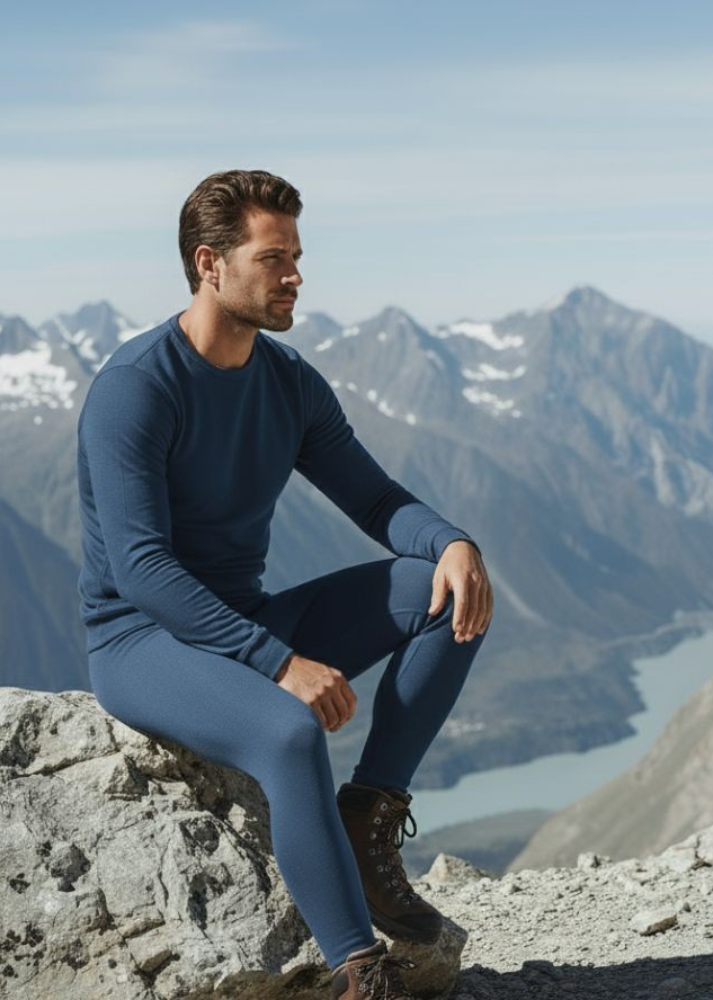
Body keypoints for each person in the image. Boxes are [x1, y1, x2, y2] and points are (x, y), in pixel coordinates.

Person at [76, 168, 493, 998]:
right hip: (141, 640)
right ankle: (358, 972)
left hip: (243, 620)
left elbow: (374, 499)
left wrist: (451, 542)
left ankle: (365, 821)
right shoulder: (135, 389)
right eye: (275, 258)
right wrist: (276, 663)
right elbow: (142, 568)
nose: (296, 274)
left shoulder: (287, 380)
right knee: (290, 732)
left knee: (439, 596)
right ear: (210, 264)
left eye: (297, 255)